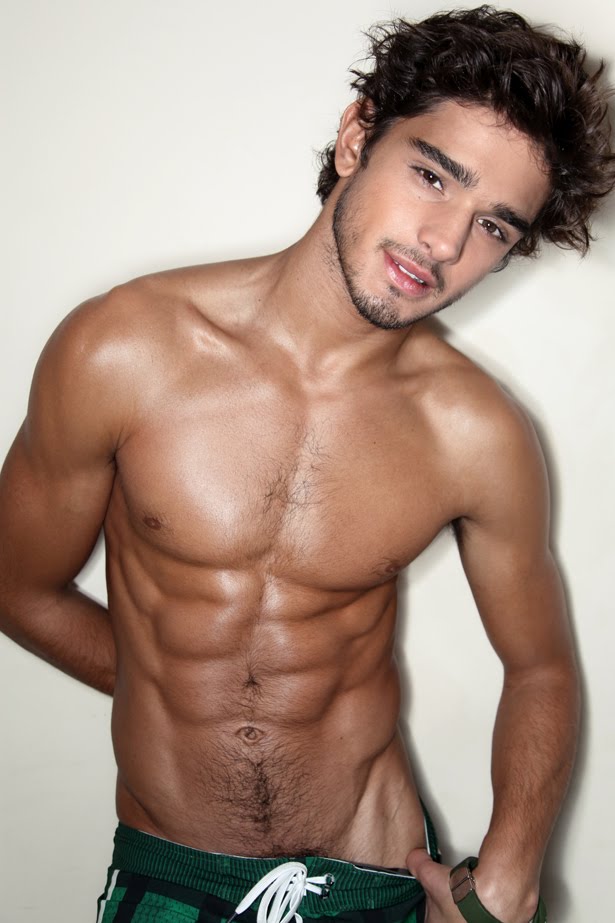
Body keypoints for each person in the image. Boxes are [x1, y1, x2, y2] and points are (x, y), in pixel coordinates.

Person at [0, 6, 613, 923]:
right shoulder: (123, 349)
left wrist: (510, 871)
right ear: (357, 136)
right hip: (172, 874)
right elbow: (16, 586)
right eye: (431, 176)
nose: (444, 243)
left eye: (492, 226)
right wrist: (189, 692)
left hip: (372, 881)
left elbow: (539, 667)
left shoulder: (474, 432)